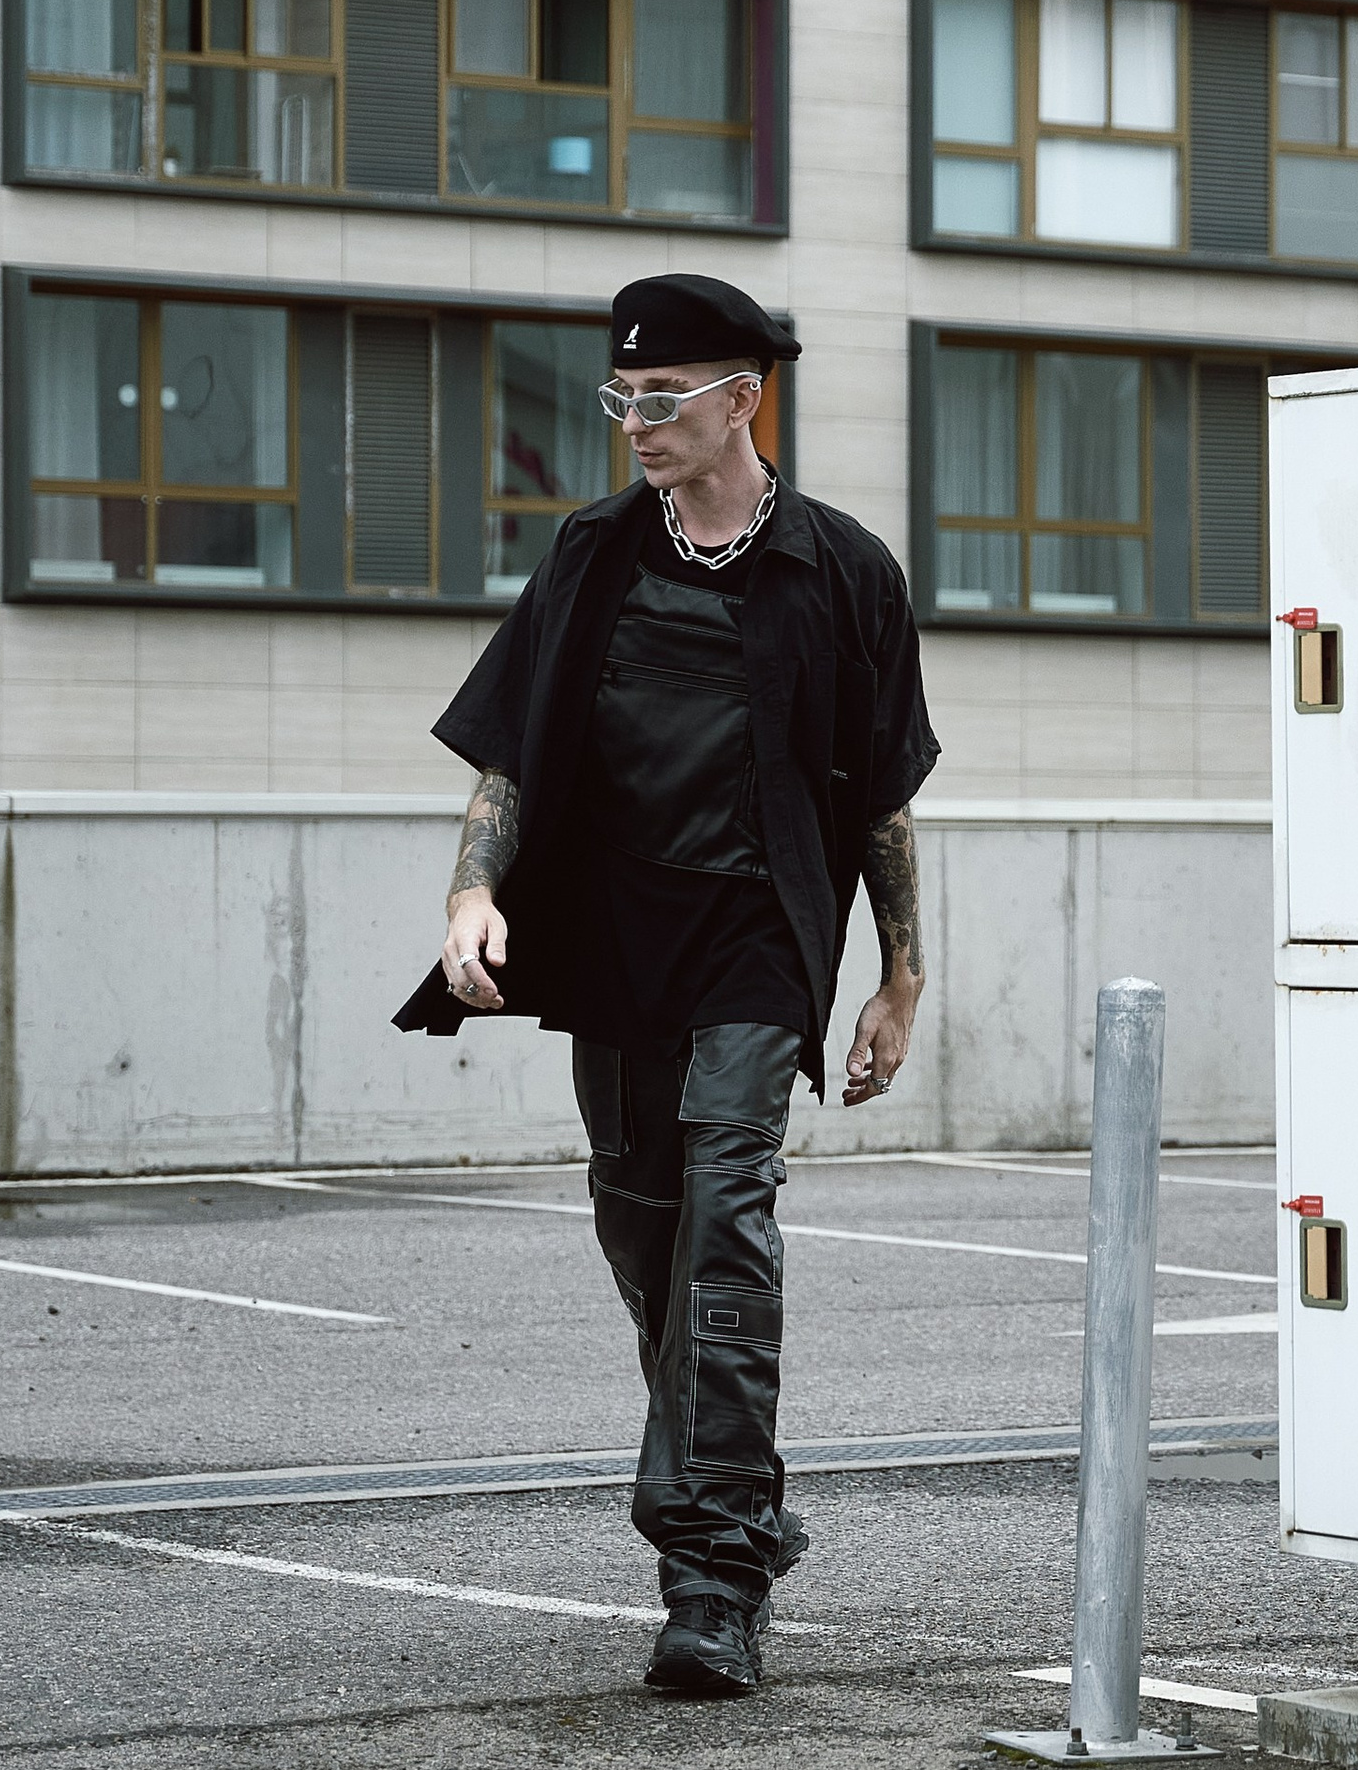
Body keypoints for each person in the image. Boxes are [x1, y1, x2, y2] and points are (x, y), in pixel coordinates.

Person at [392, 273, 937, 1699]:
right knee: (650, 1244)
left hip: (760, 945)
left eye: (662, 398)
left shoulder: (844, 571)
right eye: (620, 398)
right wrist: (473, 888)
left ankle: (710, 1580)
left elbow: (880, 797)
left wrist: (901, 975)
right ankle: (743, 1492)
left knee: (729, 1228)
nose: (634, 422)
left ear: (744, 398)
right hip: (615, 942)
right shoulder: (590, 556)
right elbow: (510, 748)